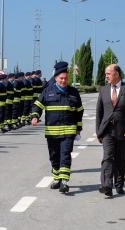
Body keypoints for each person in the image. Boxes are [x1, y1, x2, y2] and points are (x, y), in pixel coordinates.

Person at [31, 62, 83, 193]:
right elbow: (37, 105)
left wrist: (78, 128)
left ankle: (64, 181)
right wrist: (35, 116)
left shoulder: (73, 92)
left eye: (66, 78)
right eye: (61, 78)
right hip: (52, 131)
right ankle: (56, 178)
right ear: (55, 78)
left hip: (68, 131)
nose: (64, 81)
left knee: (65, 154)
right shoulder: (47, 92)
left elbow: (79, 111)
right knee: (54, 156)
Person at [96, 64, 125, 196]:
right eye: (105, 73)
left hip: (123, 130)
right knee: (107, 157)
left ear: (117, 74)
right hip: (107, 129)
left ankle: (119, 184)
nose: (106, 76)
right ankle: (106, 185)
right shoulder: (103, 90)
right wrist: (98, 131)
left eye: (108, 73)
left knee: (121, 159)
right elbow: (99, 112)